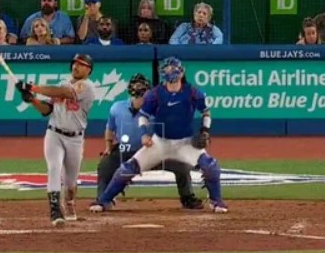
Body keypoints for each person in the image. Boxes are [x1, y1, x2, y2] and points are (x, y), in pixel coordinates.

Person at [89, 57, 227, 214]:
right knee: (128, 168)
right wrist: (143, 135)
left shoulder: (193, 93)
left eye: (173, 69)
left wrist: (205, 131)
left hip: (185, 142)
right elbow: (143, 116)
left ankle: (217, 201)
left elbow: (206, 112)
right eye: (167, 70)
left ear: (181, 72)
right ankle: (104, 200)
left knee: (211, 166)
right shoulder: (155, 94)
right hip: (160, 142)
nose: (170, 73)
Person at [96, 73, 203, 211]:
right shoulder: (117, 108)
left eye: (144, 94)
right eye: (138, 95)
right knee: (105, 164)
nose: (141, 98)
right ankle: (103, 199)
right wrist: (108, 148)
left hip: (155, 152)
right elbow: (109, 129)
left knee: (182, 166)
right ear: (131, 93)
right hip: (127, 151)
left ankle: (187, 197)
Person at [15, 54, 96, 226]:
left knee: (70, 183)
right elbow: (47, 110)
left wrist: (33, 87)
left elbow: (66, 93)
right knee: (54, 168)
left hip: (75, 139)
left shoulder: (87, 87)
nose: (76, 66)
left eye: (81, 64)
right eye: (74, 63)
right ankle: (55, 211)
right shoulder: (63, 83)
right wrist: (32, 100)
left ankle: (69, 202)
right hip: (54, 134)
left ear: (88, 70)